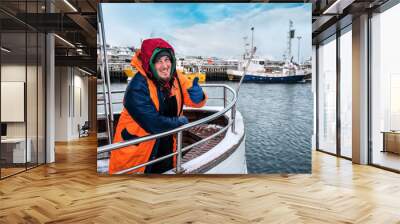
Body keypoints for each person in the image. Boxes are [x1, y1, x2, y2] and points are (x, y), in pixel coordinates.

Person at [109, 38, 207, 174]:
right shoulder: (137, 86)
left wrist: (199, 96)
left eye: (167, 60)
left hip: (166, 148)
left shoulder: (176, 76)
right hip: (138, 155)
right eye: (159, 61)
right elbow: (154, 124)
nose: (165, 65)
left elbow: (193, 99)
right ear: (149, 64)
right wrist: (180, 121)